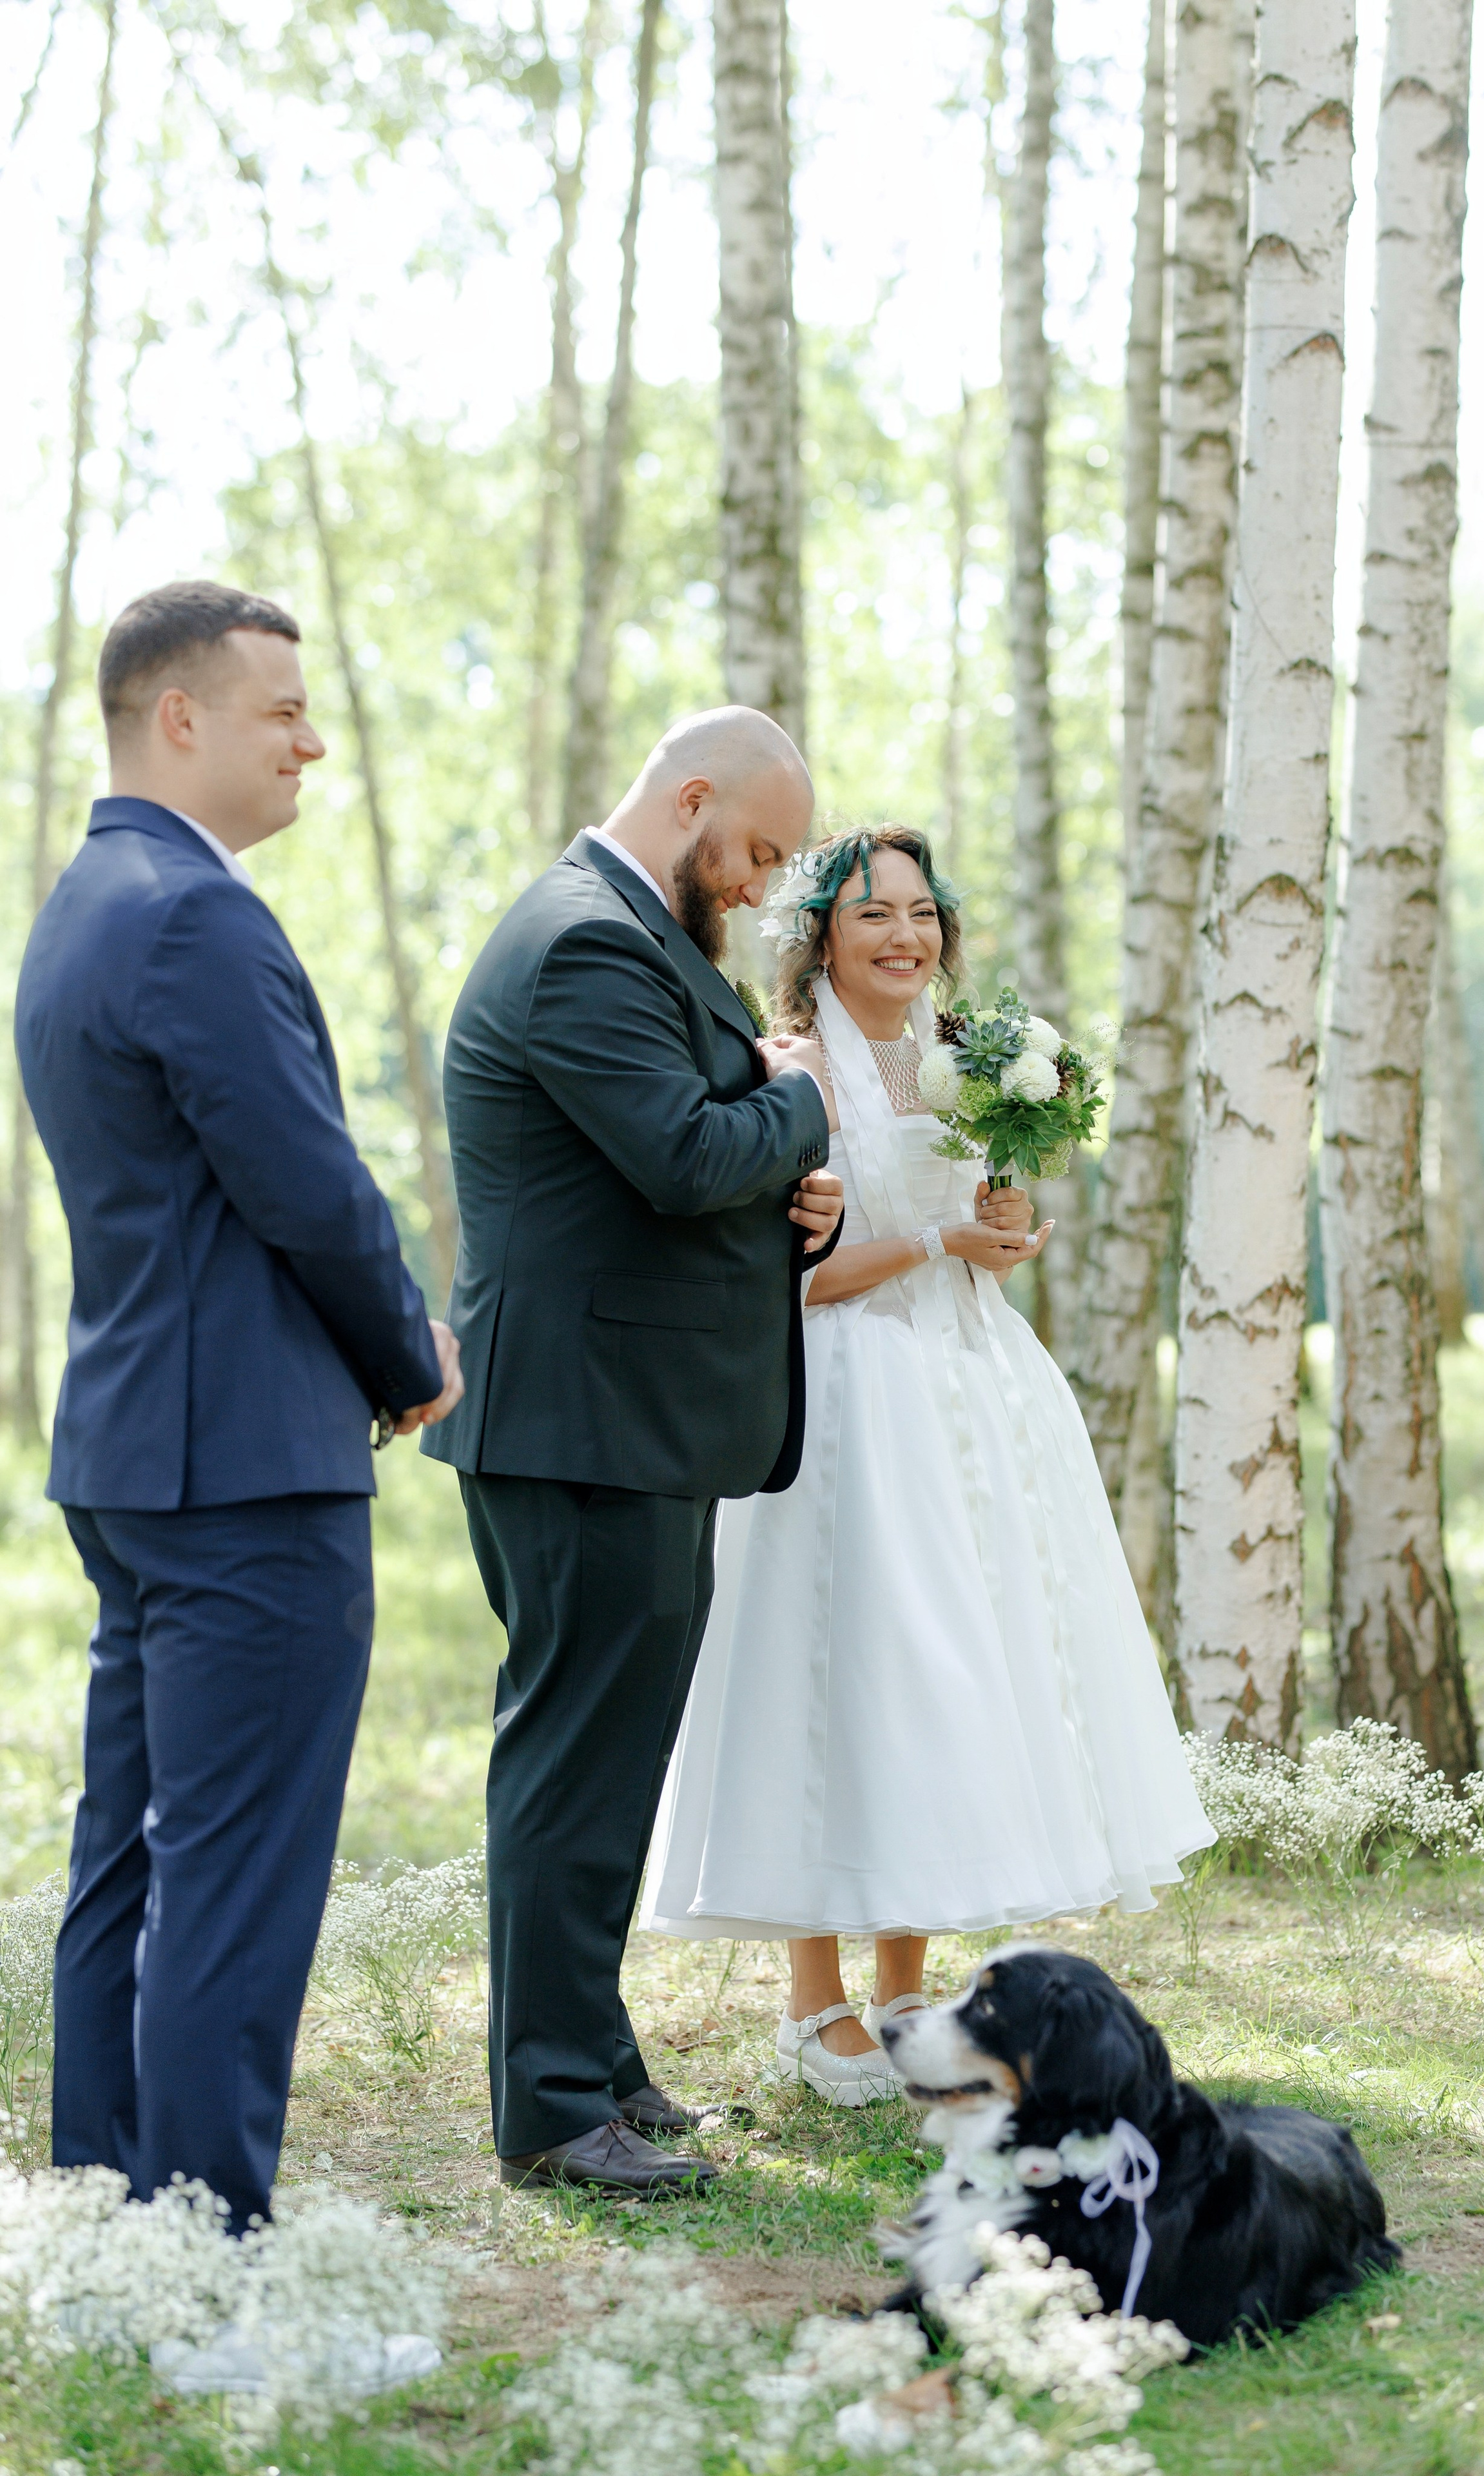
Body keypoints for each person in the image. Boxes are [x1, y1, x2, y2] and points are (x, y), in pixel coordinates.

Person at [14, 581, 464, 2245]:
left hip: (137, 1449)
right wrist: (409, 1348)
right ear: (180, 718)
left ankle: (108, 2206)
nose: (312, 740)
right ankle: (204, 2240)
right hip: (245, 1469)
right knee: (236, 1871)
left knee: (132, 1848)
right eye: (283, 711)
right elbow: (308, 1184)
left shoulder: (82, 905)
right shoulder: (194, 916)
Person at [643, 827, 1213, 2101]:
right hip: (842, 1399)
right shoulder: (788, 1070)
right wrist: (936, 1241)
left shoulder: (969, 1059)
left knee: (944, 1687)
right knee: (831, 1676)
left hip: (976, 1397)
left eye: (920, 913)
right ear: (820, 939)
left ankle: (904, 1990)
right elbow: (783, 1276)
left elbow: (985, 1211)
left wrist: (1003, 1224)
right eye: (871, 917)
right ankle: (810, 2002)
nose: (903, 937)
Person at [425, 705, 845, 2197]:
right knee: (569, 1765)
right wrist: (807, 1104)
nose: (760, 886)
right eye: (755, 851)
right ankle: (547, 2111)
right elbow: (681, 1154)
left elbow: (703, 1150)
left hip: (635, 1422)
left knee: (609, 1765)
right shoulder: (580, 941)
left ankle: (596, 2068)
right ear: (686, 800)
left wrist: (808, 1197)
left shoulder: (637, 933)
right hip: (580, 1426)